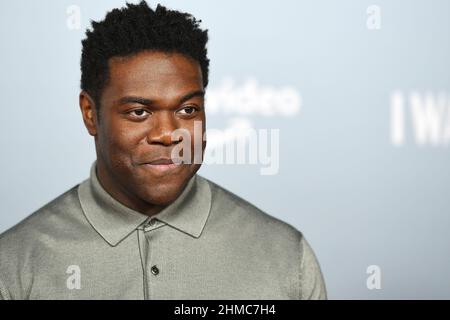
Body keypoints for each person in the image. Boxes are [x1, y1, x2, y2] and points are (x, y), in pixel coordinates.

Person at [0, 1, 326, 300]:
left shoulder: (285, 256)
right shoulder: (14, 265)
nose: (169, 135)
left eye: (187, 110)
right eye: (139, 112)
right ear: (90, 113)